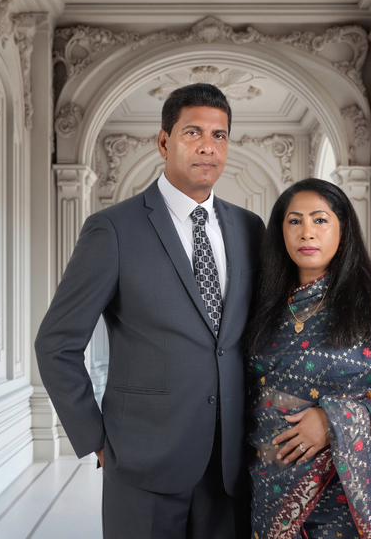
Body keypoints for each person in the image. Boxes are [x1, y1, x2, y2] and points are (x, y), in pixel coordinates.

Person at [35, 83, 265, 539]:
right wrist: (96, 440)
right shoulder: (113, 229)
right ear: (164, 142)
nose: (208, 146)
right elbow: (56, 344)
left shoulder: (250, 227)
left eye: (219, 135)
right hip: (141, 463)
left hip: (230, 464)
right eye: (193, 132)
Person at [244, 178, 371, 539]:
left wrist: (332, 421)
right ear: (280, 232)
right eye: (294, 221)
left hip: (347, 497)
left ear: (343, 230)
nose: (307, 232)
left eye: (320, 220)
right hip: (268, 485)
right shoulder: (264, 301)